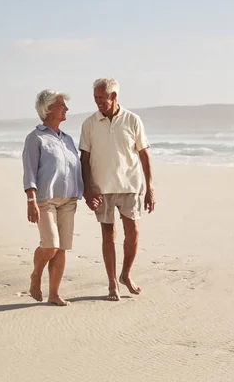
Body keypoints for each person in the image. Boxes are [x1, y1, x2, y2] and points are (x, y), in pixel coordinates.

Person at [79, 77, 155, 301]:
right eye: (95, 98)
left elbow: (143, 154)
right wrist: (88, 189)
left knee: (133, 233)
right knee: (108, 234)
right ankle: (112, 283)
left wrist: (150, 188)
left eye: (101, 98)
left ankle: (126, 275)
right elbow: (84, 158)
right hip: (102, 187)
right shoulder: (89, 124)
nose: (97, 102)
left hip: (131, 186)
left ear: (114, 96)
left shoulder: (133, 120)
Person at [22, 89, 84, 306]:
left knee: (62, 248)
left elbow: (76, 169)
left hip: (69, 200)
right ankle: (36, 275)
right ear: (48, 108)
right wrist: (31, 201)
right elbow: (29, 171)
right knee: (50, 246)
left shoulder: (67, 140)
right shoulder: (35, 138)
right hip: (45, 200)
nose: (66, 108)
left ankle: (54, 294)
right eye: (61, 104)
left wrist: (87, 192)